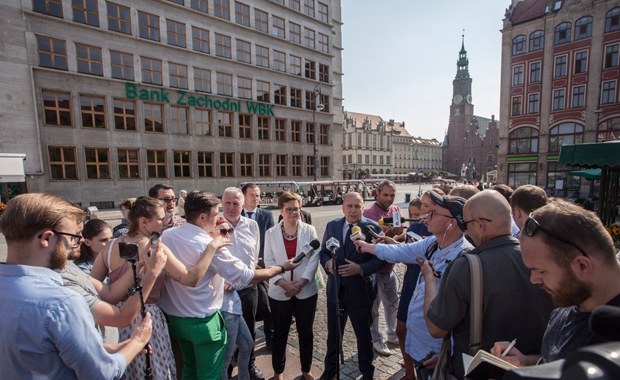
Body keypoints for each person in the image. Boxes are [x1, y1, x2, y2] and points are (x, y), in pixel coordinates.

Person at [0, 193, 152, 379]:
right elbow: (103, 373)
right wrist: (137, 342)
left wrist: (111, 348)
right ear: (46, 238)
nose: (78, 243)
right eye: (73, 237)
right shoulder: (63, 303)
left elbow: (42, 349)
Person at [157, 191, 300, 380]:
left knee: (190, 368)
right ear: (202, 217)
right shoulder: (210, 245)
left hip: (176, 320)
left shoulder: (168, 235)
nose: (219, 218)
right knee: (212, 374)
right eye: (216, 214)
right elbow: (247, 276)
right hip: (203, 324)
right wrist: (282, 267)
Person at [421, 190, 554, 379]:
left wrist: (429, 279)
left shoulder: (466, 266)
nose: (465, 230)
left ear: (480, 225)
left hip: (477, 372)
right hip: (532, 370)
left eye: (466, 224)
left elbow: (435, 328)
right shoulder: (541, 258)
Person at [91, 196, 225, 380]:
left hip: (116, 321)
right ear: (144, 221)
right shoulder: (155, 248)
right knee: (156, 372)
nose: (165, 222)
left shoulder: (110, 247)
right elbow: (190, 278)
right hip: (148, 320)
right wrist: (212, 246)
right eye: (161, 219)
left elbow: (91, 288)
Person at [356, 192, 473, 380]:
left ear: (452, 223)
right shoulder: (434, 243)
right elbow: (400, 251)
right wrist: (368, 246)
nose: (426, 216)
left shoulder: (463, 258)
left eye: (434, 213)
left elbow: (466, 317)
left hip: (438, 354)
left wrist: (449, 351)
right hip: (422, 348)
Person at [490, 199, 620, 366]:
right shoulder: (567, 304)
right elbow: (554, 362)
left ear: (582, 265)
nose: (533, 280)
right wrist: (525, 363)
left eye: (541, 271)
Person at [319, 192, 386, 380]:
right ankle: (330, 369)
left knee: (364, 337)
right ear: (343, 208)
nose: (353, 210)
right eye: (350, 206)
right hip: (336, 289)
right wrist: (327, 263)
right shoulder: (332, 226)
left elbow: (381, 259)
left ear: (363, 208)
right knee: (333, 335)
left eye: (357, 206)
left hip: (361, 291)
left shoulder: (371, 228)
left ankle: (367, 372)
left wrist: (361, 268)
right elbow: (323, 252)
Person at [264, 192, 320, 380]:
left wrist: (302, 281)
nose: (293, 213)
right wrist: (284, 283)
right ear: (281, 210)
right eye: (288, 209)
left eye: (296, 208)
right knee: (280, 334)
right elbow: (269, 261)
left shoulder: (309, 230)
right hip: (280, 291)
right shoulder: (270, 233)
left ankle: (306, 369)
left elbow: (314, 259)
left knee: (306, 333)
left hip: (306, 290)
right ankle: (278, 372)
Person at [222, 187, 264, 380]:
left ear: (242, 204)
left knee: (249, 330)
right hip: (224, 293)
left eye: (236, 203)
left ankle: (249, 366)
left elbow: (254, 256)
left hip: (248, 288)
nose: (231, 207)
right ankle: (227, 370)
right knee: (226, 338)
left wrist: (249, 275)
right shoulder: (215, 226)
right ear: (222, 204)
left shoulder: (252, 225)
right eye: (228, 203)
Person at [210, 217, 253, 380]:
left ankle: (244, 377)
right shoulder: (212, 250)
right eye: (223, 231)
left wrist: (235, 282)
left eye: (230, 231)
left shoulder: (224, 249)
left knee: (247, 345)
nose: (228, 234)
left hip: (234, 306)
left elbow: (238, 277)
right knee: (225, 360)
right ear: (211, 232)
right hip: (225, 309)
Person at [362, 179, 401, 356]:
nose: (389, 199)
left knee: (393, 304)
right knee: (373, 308)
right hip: (375, 269)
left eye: (392, 195)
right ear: (377, 193)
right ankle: (375, 339)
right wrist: (392, 234)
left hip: (391, 267)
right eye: (385, 195)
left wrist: (396, 235)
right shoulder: (369, 213)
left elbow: (402, 237)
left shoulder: (396, 209)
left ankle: (392, 334)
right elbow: (373, 241)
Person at [241, 183, 276, 349]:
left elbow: (270, 240)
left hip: (263, 267)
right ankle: (244, 343)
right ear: (244, 196)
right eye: (252, 195)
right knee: (246, 308)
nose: (256, 198)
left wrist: (263, 263)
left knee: (267, 303)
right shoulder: (235, 214)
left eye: (258, 195)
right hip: (242, 269)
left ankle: (270, 337)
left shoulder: (266, 215)